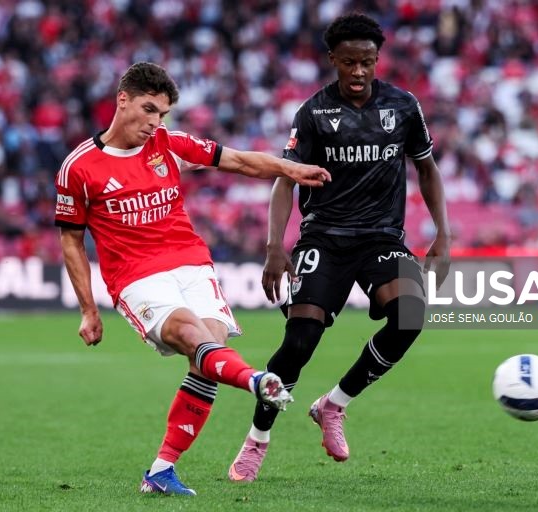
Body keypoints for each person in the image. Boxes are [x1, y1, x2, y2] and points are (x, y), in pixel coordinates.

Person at [54, 62, 331, 496]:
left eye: (162, 114)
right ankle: (257, 381)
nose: (155, 122)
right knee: (191, 335)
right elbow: (71, 240)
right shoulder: (79, 167)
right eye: (149, 109)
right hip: (136, 276)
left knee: (209, 354)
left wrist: (291, 169)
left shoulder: (169, 144)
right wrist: (89, 309)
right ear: (122, 100)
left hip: (191, 262)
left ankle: (161, 471)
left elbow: (238, 160)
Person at [228, 13, 451, 482]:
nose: (358, 71)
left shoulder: (403, 106)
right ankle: (257, 438)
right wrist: (275, 245)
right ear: (333, 59)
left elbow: (427, 168)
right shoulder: (313, 113)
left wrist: (443, 234)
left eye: (367, 61)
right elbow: (285, 180)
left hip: (382, 238)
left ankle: (334, 405)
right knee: (299, 343)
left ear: (377, 59)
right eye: (349, 62)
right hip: (324, 238)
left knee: (411, 315)